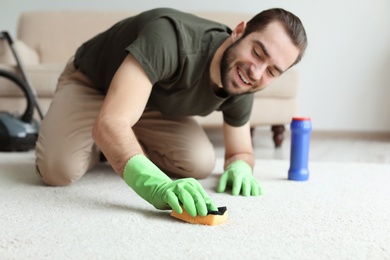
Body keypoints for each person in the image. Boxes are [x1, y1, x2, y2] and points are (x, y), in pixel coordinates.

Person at [35, 8, 307, 217]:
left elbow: (240, 151)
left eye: (272, 71)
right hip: (92, 82)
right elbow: (111, 122)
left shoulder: (242, 84)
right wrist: (157, 187)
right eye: (258, 53)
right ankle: (103, 144)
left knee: (199, 162)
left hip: (150, 103)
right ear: (239, 31)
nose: (256, 72)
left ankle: (113, 147)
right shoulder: (169, 37)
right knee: (59, 170)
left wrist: (240, 167)